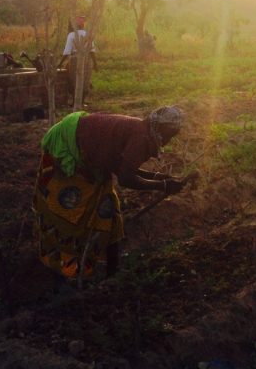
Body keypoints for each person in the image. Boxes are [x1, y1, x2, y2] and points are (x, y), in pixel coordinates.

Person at [32, 106, 189, 280]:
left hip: (86, 154)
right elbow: (126, 178)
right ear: (161, 129)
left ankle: (111, 275)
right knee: (70, 211)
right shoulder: (141, 137)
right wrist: (163, 185)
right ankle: (67, 270)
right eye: (170, 134)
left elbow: (123, 168)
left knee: (108, 210)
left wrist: (163, 179)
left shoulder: (142, 130)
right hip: (67, 148)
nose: (169, 140)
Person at [58, 16, 97, 105]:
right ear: (84, 25)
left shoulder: (71, 35)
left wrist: (60, 63)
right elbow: (92, 51)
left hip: (74, 59)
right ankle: (82, 102)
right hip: (87, 59)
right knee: (85, 81)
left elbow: (67, 51)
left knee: (73, 80)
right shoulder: (88, 34)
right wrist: (95, 63)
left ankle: (75, 102)